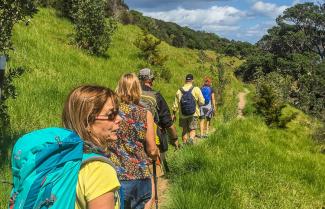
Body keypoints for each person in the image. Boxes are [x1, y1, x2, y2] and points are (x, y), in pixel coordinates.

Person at [62, 85, 122, 209]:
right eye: (111, 115)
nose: (119, 119)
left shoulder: (63, 157)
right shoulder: (99, 169)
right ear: (87, 123)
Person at [109, 73, 159, 209]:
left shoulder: (112, 113)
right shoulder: (145, 113)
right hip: (140, 173)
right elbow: (152, 149)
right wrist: (155, 155)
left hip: (116, 174)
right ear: (138, 89)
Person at [138, 68, 179, 208]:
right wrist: (175, 139)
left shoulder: (131, 94)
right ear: (151, 80)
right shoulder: (156, 96)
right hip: (153, 139)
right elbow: (167, 122)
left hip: (133, 140)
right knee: (153, 177)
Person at [172, 74, 205, 145]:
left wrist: (173, 114)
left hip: (182, 114)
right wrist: (198, 104)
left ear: (185, 80)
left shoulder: (179, 91)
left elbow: (175, 105)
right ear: (192, 80)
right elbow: (202, 101)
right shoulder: (196, 89)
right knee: (192, 129)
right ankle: (191, 139)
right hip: (194, 114)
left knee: (184, 130)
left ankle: (184, 145)